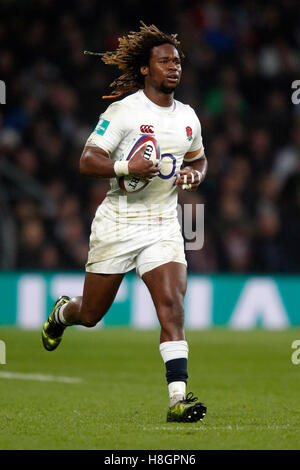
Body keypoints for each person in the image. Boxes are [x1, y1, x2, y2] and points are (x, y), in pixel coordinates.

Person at [42, 22, 208, 423]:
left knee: (172, 306)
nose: (174, 67)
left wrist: (194, 175)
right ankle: (63, 313)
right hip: (118, 223)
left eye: (177, 61)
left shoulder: (188, 118)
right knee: (91, 315)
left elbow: (199, 158)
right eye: (164, 61)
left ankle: (178, 399)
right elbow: (86, 160)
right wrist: (124, 166)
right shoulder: (124, 111)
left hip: (164, 223)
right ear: (146, 70)